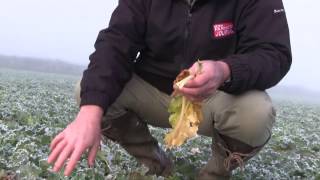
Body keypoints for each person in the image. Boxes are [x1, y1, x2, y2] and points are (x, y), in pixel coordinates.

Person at [47, 0, 291, 179]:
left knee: (256, 113)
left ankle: (215, 174)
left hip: (214, 95)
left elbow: (273, 54)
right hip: (153, 89)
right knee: (89, 94)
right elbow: (116, 43)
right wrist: (90, 112)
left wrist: (225, 70)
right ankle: (156, 163)